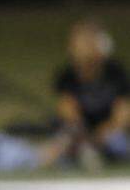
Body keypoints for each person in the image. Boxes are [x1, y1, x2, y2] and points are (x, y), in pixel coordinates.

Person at [53, 20, 130, 168]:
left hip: (109, 131)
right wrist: (84, 138)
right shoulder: (67, 76)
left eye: (87, 42)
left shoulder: (115, 72)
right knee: (62, 148)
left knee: (118, 144)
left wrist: (103, 134)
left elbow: (123, 114)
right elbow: (68, 113)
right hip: (81, 134)